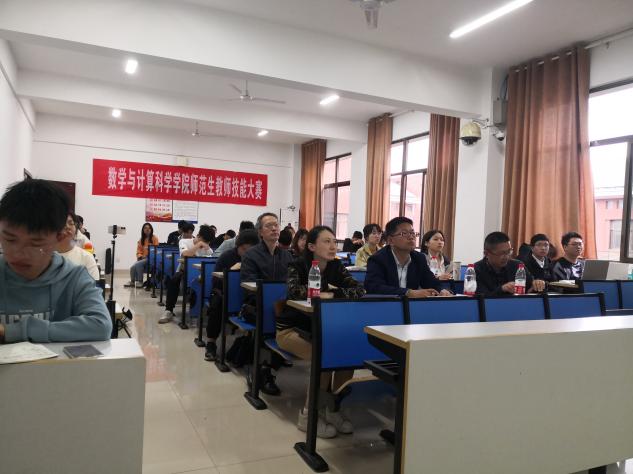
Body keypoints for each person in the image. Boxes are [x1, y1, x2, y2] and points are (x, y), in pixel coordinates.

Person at [277, 226, 365, 438]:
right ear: (311, 246)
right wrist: (324, 292)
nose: (333, 246)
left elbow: (359, 290)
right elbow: (294, 291)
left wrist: (332, 292)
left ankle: (332, 409)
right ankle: (308, 415)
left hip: (324, 330)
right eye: (326, 241)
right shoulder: (297, 265)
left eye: (334, 241)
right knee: (325, 358)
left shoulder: (337, 266)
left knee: (346, 358)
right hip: (291, 330)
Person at [0, 179, 111, 344]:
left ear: (59, 237)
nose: (18, 253)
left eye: (35, 244)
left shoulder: (74, 277)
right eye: (10, 240)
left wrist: (13, 331)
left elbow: (101, 326)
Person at [240, 212, 294, 394]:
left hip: (282, 305)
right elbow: (249, 285)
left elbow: (293, 283)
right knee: (272, 317)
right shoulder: (251, 255)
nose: (274, 228)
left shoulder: (287, 256)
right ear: (260, 232)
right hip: (255, 304)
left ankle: (276, 360)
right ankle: (263, 370)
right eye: (269, 225)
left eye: (276, 225)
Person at [204, 229, 260, 361]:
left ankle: (257, 346)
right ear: (238, 246)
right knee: (218, 303)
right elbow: (215, 282)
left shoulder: (257, 259)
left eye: (251, 250)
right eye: (244, 249)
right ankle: (211, 343)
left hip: (248, 297)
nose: (247, 253)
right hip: (225, 294)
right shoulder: (227, 257)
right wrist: (230, 271)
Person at [364, 217, 451, 297]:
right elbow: (374, 287)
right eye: (404, 233)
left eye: (412, 233)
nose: (411, 237)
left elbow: (432, 282)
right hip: (386, 306)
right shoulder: (378, 259)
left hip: (411, 307)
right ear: (390, 240)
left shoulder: (419, 258)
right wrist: (408, 292)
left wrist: (442, 290)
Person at [159, 224, 214, 324]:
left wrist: (204, 245)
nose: (205, 244)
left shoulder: (208, 249)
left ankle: (204, 311)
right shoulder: (184, 241)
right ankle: (168, 310)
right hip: (183, 271)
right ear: (198, 236)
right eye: (204, 241)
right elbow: (185, 254)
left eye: (207, 242)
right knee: (174, 280)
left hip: (199, 273)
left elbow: (210, 259)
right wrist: (198, 245)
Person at [474, 231, 545, 296]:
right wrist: (502, 289)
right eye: (501, 253)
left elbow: (530, 286)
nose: (506, 257)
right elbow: (481, 297)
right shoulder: (476, 270)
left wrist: (536, 285)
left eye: (509, 251)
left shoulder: (517, 266)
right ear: (486, 253)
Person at [56, 213, 100, 280]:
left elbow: (90, 250)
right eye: (62, 223)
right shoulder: (45, 256)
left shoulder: (86, 255)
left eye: (71, 223)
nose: (67, 227)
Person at [125, 222, 159, 288]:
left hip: (151, 259)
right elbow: (138, 251)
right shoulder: (141, 240)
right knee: (132, 267)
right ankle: (132, 282)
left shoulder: (155, 238)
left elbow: (156, 250)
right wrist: (140, 256)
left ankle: (140, 281)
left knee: (138, 264)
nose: (147, 229)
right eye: (145, 228)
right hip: (142, 258)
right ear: (143, 230)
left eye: (149, 228)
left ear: (151, 230)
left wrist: (147, 256)